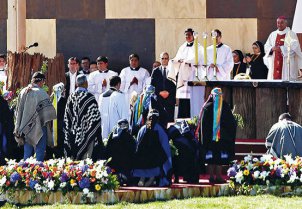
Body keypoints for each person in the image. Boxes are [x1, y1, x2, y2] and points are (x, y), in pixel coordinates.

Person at [196, 87, 237, 183]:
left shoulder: (206, 107)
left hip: (210, 139)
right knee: (218, 158)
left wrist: (203, 138)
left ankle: (211, 177)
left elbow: (202, 124)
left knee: (211, 158)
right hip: (222, 138)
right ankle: (218, 176)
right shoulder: (225, 106)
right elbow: (231, 123)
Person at [14, 72, 56, 161]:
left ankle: (25, 172)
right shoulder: (42, 93)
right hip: (40, 126)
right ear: (41, 81)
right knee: (40, 151)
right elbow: (50, 112)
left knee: (27, 152)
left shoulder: (22, 92)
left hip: (26, 127)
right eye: (43, 82)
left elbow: (18, 110)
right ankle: (39, 171)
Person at [64, 74, 104, 160]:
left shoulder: (70, 97)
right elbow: (95, 119)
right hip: (88, 133)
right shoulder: (89, 97)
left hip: (73, 133)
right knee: (86, 159)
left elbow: (67, 117)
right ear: (86, 83)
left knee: (74, 159)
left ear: (77, 84)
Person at [168, 28, 205, 118]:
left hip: (193, 74)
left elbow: (199, 60)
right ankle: (182, 118)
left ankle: (194, 117)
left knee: (192, 98)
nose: (187, 37)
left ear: (193, 36)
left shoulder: (199, 47)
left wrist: (186, 61)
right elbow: (178, 58)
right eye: (186, 35)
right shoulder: (182, 47)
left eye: (189, 35)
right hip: (183, 76)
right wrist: (175, 61)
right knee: (183, 99)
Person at [133, 109, 172, 187]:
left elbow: (137, 145)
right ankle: (151, 179)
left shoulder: (142, 129)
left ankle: (142, 178)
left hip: (141, 163)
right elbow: (166, 149)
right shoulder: (160, 130)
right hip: (155, 163)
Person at [264, 16, 302, 80]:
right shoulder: (273, 34)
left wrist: (281, 49)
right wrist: (271, 48)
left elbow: (295, 49)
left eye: (282, 23)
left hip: (287, 64)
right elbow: (266, 46)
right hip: (275, 63)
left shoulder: (291, 34)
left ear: (286, 24)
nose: (279, 24)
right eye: (278, 23)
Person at [106, 119, 136, 185]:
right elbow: (133, 150)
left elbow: (107, 151)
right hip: (125, 168)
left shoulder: (112, 136)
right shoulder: (128, 136)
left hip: (113, 167)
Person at [151, 52, 176, 123]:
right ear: (160, 59)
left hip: (170, 98)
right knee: (159, 119)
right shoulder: (155, 71)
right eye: (162, 58)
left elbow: (175, 84)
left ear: (168, 59)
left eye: (166, 58)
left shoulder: (173, 70)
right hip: (159, 99)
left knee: (170, 119)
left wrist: (168, 92)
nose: (164, 60)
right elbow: (152, 85)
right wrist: (159, 92)